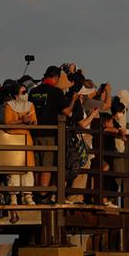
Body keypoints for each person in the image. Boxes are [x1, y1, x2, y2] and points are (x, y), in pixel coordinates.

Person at [29, 66, 76, 203]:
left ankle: (36, 193)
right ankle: (42, 196)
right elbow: (67, 112)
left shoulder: (34, 91)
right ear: (55, 78)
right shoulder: (56, 92)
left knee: (37, 166)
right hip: (49, 134)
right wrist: (73, 100)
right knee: (47, 165)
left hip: (34, 133)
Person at [3, 83, 36, 205]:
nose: (25, 94)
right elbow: (7, 122)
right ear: (16, 95)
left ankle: (27, 195)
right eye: (23, 92)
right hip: (13, 140)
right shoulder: (9, 106)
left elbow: (35, 122)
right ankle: (13, 197)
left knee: (28, 168)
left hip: (27, 139)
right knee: (14, 169)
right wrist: (21, 121)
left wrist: (30, 122)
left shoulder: (30, 105)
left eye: (26, 92)